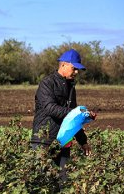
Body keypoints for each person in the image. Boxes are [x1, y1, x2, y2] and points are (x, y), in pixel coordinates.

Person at [30, 49, 97, 185]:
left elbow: (72, 119)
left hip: (63, 141)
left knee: (64, 183)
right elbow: (50, 108)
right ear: (64, 65)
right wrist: (77, 113)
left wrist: (83, 141)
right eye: (74, 68)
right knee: (40, 183)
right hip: (44, 140)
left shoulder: (71, 87)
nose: (76, 72)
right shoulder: (47, 84)